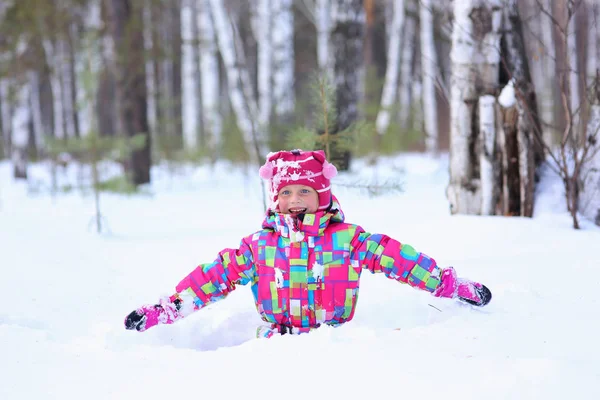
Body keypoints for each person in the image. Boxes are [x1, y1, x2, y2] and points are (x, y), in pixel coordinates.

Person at [125, 149, 492, 338]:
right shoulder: (258, 247)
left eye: (306, 190)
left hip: (335, 347)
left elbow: (402, 260)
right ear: (275, 197)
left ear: (323, 195)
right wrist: (166, 309)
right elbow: (212, 278)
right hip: (274, 347)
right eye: (286, 192)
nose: (295, 199)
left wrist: (450, 285)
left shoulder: (348, 240)